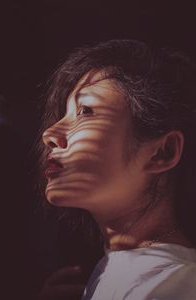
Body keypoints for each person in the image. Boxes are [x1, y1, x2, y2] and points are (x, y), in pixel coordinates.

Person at [38, 39, 196, 300]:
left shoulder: (171, 287)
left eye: (85, 111)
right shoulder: (118, 271)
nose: (49, 134)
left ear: (162, 152)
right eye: (62, 116)